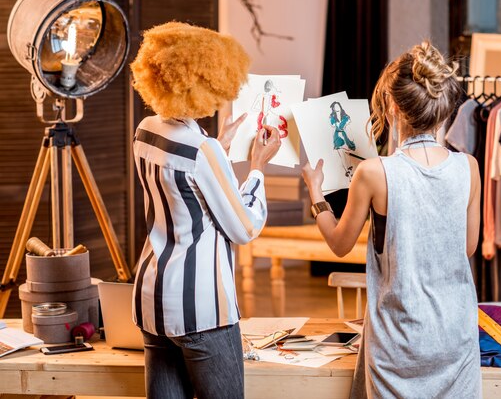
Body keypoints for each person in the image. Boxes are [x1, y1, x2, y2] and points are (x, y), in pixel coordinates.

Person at [302, 41, 482, 398]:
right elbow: (467, 247)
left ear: (394, 106)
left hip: (399, 343)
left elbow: (339, 244)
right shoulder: (469, 167)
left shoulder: (373, 173)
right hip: (455, 337)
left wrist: (316, 194)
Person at [129, 21, 280, 399]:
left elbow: (185, 192)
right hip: (202, 311)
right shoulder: (202, 151)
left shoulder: (145, 130)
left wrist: (219, 147)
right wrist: (258, 166)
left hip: (153, 299)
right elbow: (244, 228)